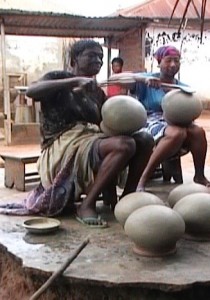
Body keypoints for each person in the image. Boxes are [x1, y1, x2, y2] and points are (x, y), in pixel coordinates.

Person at [0, 39, 154, 227]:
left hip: (92, 139)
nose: (97, 60)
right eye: (91, 55)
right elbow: (32, 91)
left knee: (145, 139)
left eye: (100, 57)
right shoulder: (58, 77)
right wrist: (74, 81)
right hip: (62, 146)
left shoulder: (97, 92)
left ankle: (128, 200)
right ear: (74, 59)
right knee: (124, 145)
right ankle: (86, 205)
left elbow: (107, 122)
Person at [129, 45, 210, 190]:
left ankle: (199, 175)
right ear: (159, 62)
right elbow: (116, 78)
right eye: (168, 60)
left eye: (176, 61)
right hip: (150, 120)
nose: (173, 64)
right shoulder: (147, 80)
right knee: (177, 133)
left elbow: (190, 108)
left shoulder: (183, 87)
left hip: (177, 121)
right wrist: (142, 79)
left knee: (198, 132)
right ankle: (143, 178)